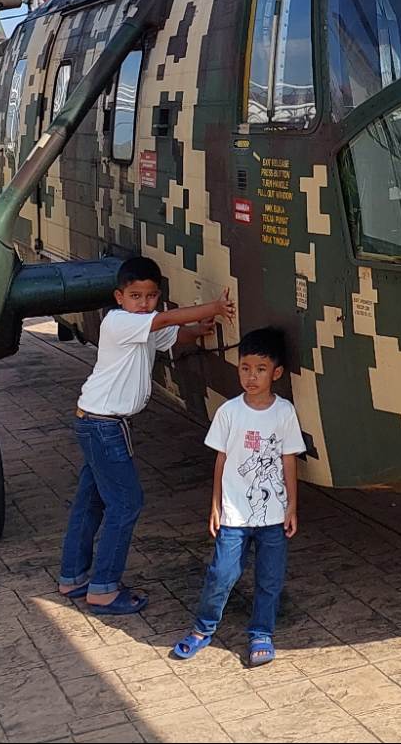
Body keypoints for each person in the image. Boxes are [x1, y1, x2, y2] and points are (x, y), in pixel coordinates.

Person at [59, 256, 234, 614]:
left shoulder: (142, 326)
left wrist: (198, 329)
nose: (144, 304)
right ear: (119, 297)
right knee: (126, 504)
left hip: (99, 424)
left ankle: (73, 576)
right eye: (136, 296)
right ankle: (104, 589)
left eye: (151, 296)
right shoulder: (118, 322)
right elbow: (167, 320)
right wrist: (215, 305)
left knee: (91, 500)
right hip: (103, 426)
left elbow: (172, 333)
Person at [169, 326, 305, 666]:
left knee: (270, 579)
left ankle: (262, 633)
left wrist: (292, 506)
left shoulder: (284, 412)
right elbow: (222, 459)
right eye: (245, 367)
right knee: (222, 573)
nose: (251, 376)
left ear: (276, 373)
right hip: (233, 513)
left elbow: (289, 460)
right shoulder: (230, 412)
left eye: (260, 369)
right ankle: (202, 629)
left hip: (273, 515)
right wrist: (215, 504)